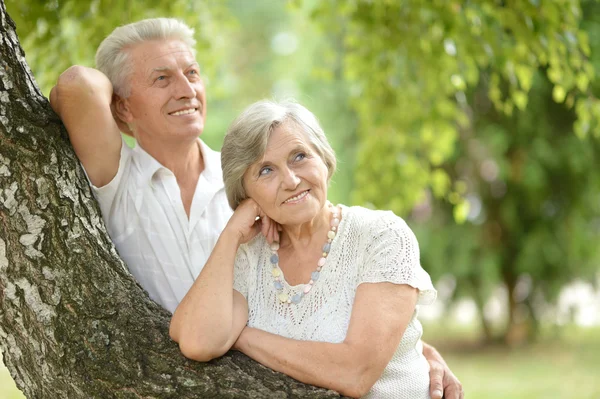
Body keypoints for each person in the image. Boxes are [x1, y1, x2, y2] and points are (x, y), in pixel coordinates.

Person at [49, 18, 462, 399]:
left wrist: (406, 344)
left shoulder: (253, 191)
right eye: (162, 78)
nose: (186, 89)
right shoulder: (118, 179)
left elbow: (323, 295)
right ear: (122, 108)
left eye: (192, 73)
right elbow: (76, 86)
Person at [170, 100, 464, 399]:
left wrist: (239, 337)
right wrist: (230, 235)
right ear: (246, 194)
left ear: (323, 158)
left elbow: (354, 373)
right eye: (266, 170)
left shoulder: (381, 236)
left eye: (299, 156)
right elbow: (198, 341)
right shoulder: (249, 256)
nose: (291, 180)